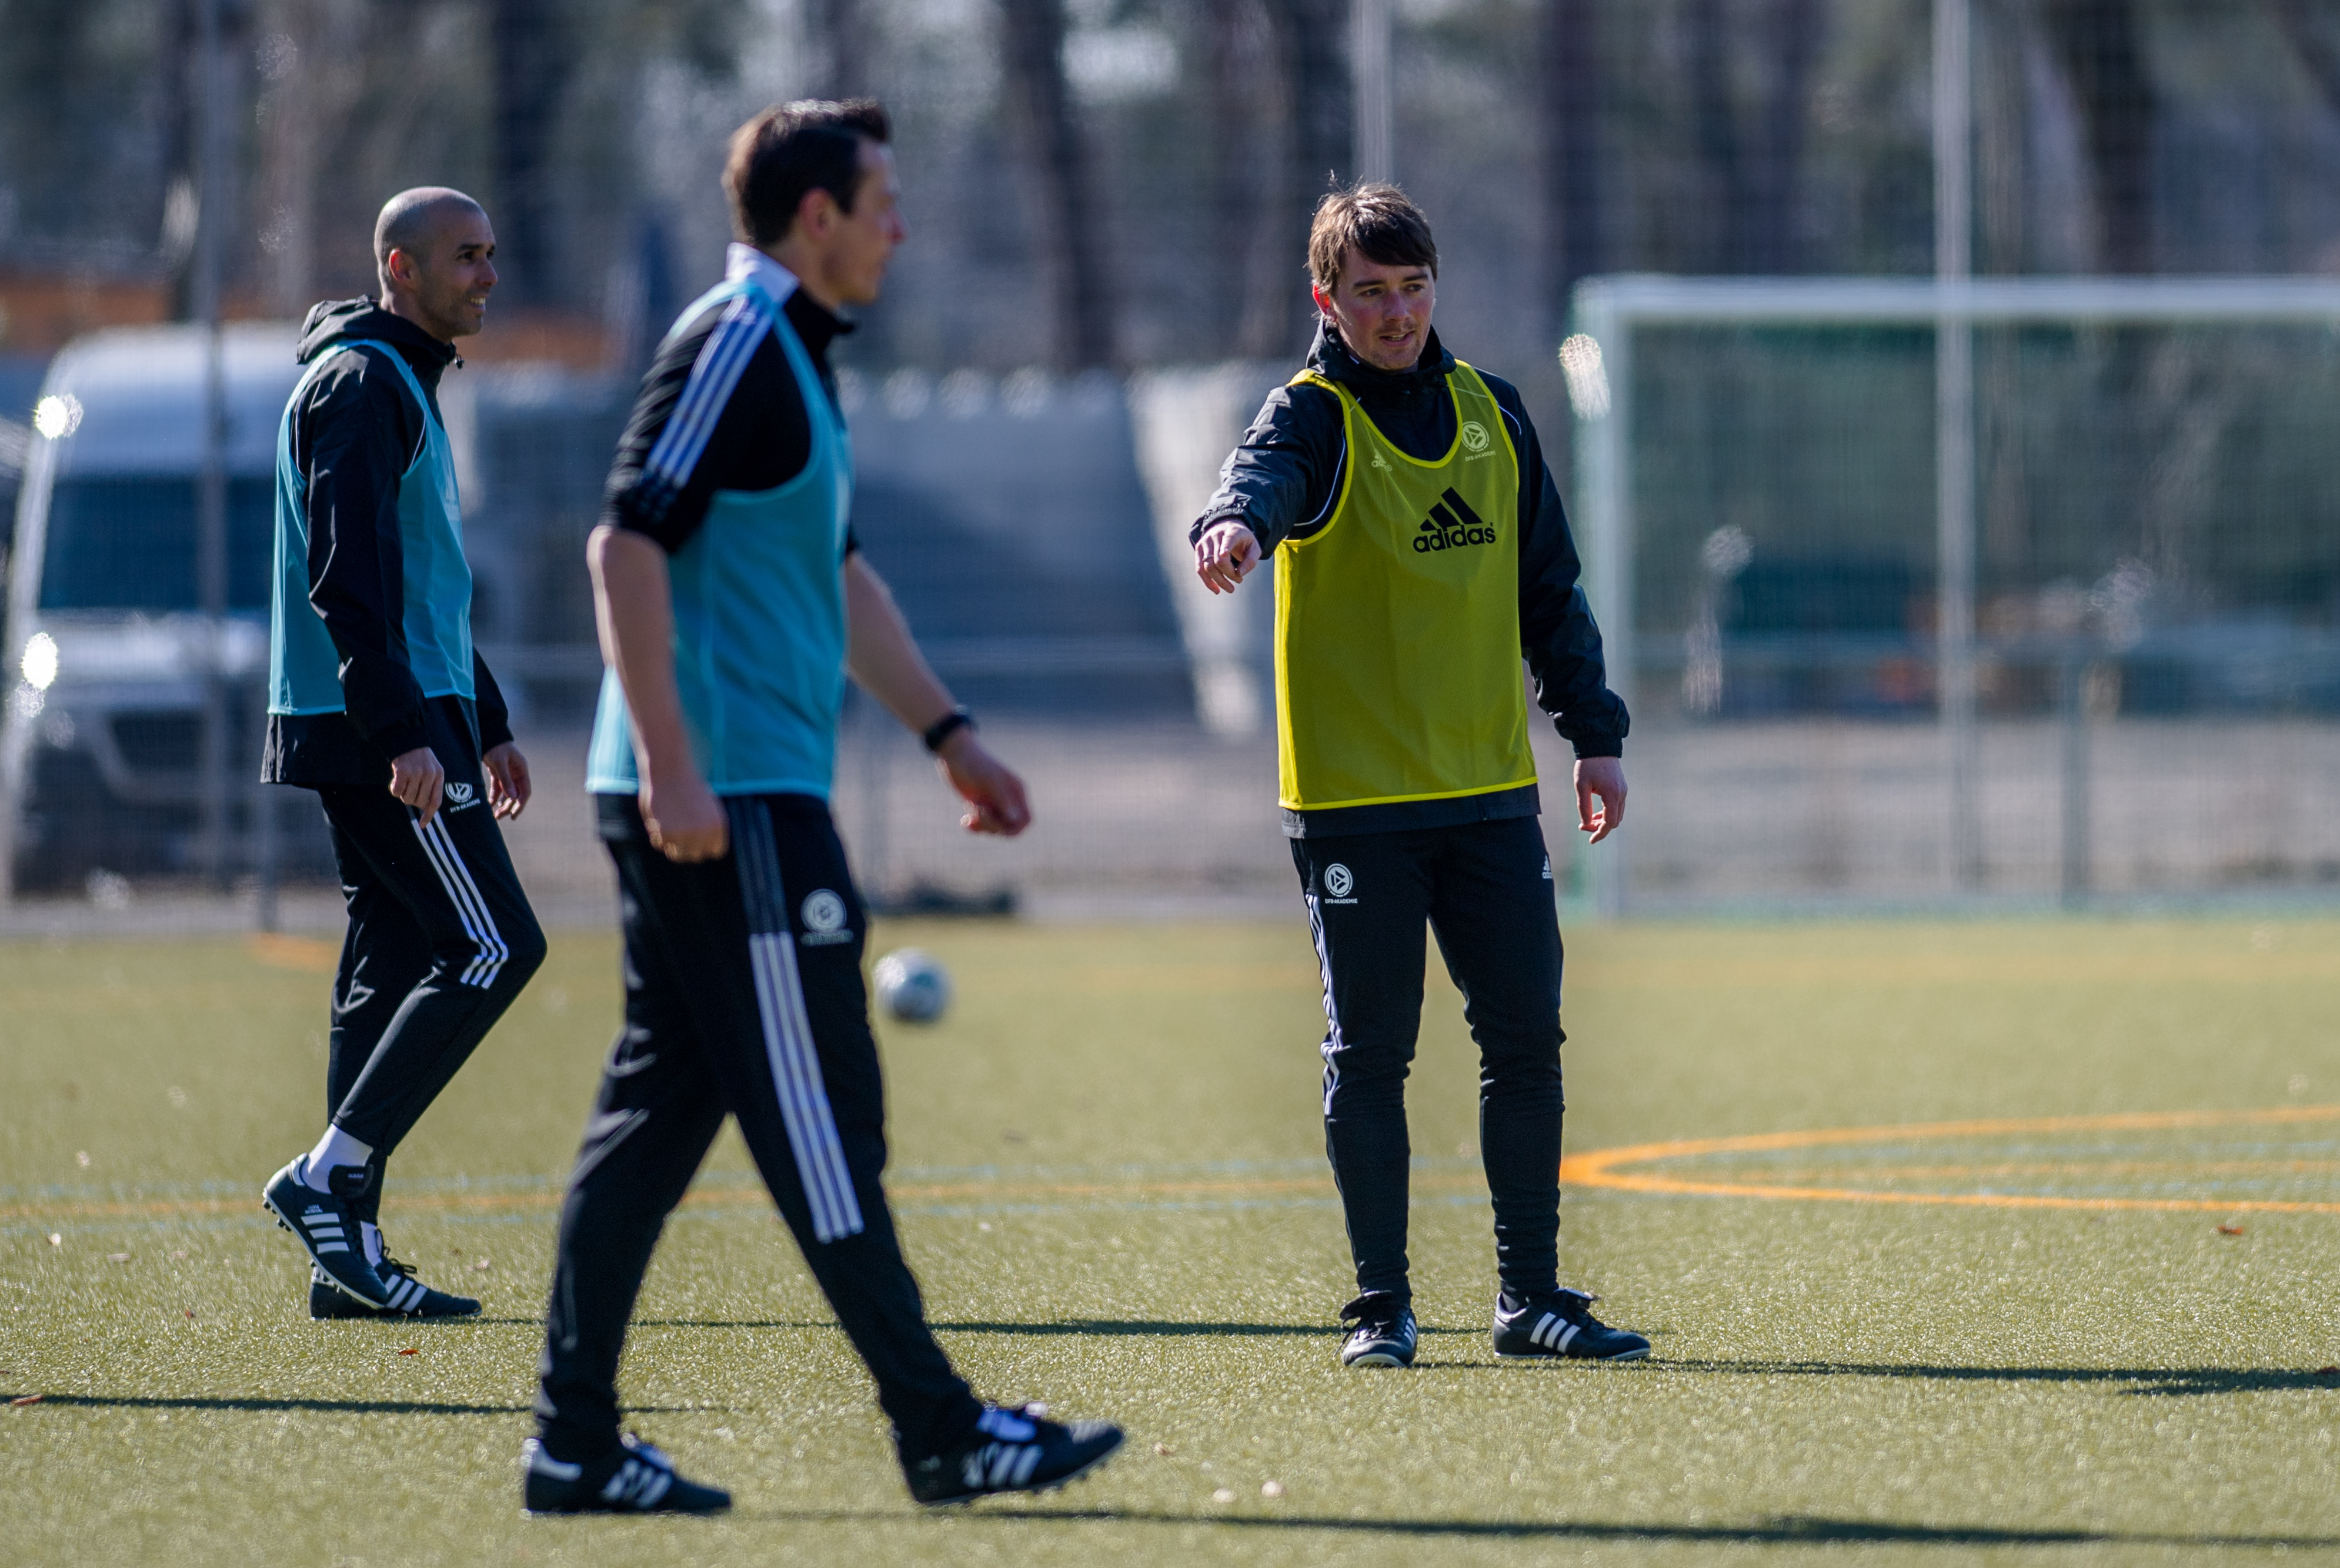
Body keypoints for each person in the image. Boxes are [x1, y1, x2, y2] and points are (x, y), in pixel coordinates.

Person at [520, 99, 1123, 1516]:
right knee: (820, 1120)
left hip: (740, 792)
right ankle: (942, 1427)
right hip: (725, 801)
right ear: (816, 217)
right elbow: (624, 544)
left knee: (654, 1127)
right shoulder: (736, 341)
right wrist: (674, 761)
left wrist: (949, 735)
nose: (901, 229)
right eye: (884, 203)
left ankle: (575, 1441)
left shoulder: (794, 353)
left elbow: (833, 577)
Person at [1192, 184, 1651, 1370]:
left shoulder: (1492, 413)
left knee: (1524, 1042)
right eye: (1369, 294)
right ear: (1327, 301)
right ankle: (1380, 1304)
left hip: (1490, 794)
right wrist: (1234, 527)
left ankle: (1530, 1297)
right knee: (1372, 1053)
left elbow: (1547, 589)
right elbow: (1259, 482)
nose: (1394, 313)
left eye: (1411, 288)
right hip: (1355, 806)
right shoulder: (1308, 418)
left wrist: (1592, 732)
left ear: (1433, 287)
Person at [259, 188, 546, 1321]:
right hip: (380, 731)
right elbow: (350, 581)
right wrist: (405, 737)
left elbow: (421, 579)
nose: (486, 276)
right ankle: (329, 1181)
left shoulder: (392, 380)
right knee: (492, 947)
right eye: (465, 258)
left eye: (490, 254)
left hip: (403, 720)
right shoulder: (362, 384)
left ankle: (349, 1257)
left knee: (390, 960)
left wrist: (487, 719)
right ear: (400, 266)